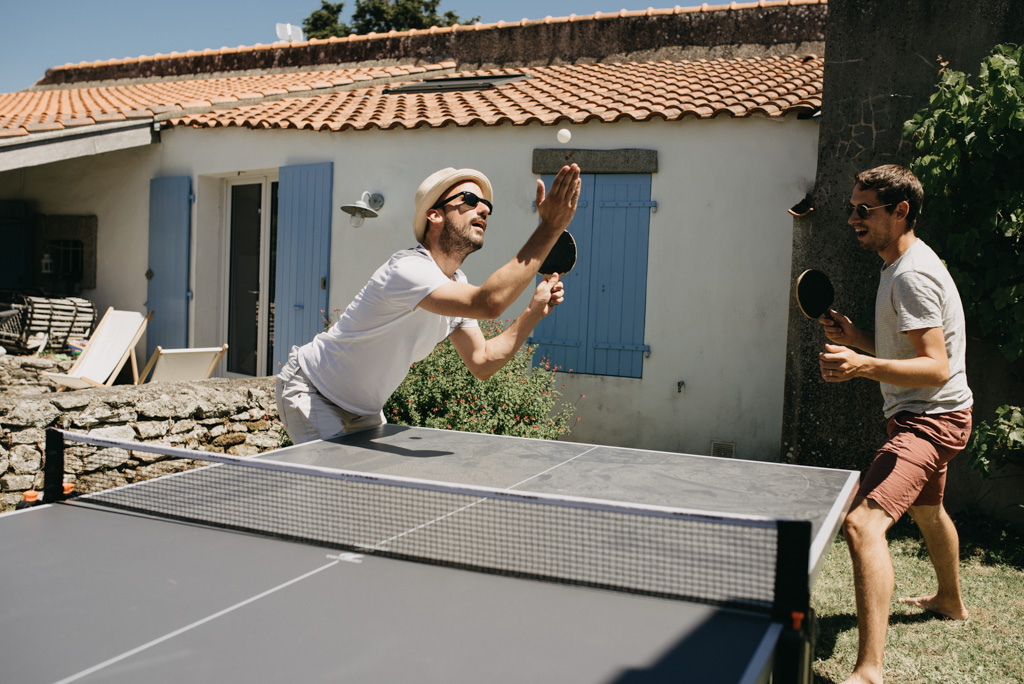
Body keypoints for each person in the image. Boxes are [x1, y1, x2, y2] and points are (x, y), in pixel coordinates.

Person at [275, 164, 582, 444]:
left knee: (374, 496)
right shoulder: (408, 268)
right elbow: (489, 303)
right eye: (470, 201)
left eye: (487, 205)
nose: (483, 210)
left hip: (365, 411)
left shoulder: (455, 285)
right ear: (435, 215)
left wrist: (533, 312)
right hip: (312, 392)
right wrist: (550, 228)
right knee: (333, 493)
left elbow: (483, 361)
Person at [817, 164, 973, 684]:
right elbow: (909, 350)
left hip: (929, 421)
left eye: (866, 210)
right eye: (851, 209)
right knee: (929, 511)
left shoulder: (911, 275)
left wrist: (862, 366)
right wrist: (857, 336)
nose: (853, 219)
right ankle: (950, 600)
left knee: (863, 525)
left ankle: (869, 671)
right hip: (935, 414)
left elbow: (935, 366)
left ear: (900, 210)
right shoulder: (898, 266)